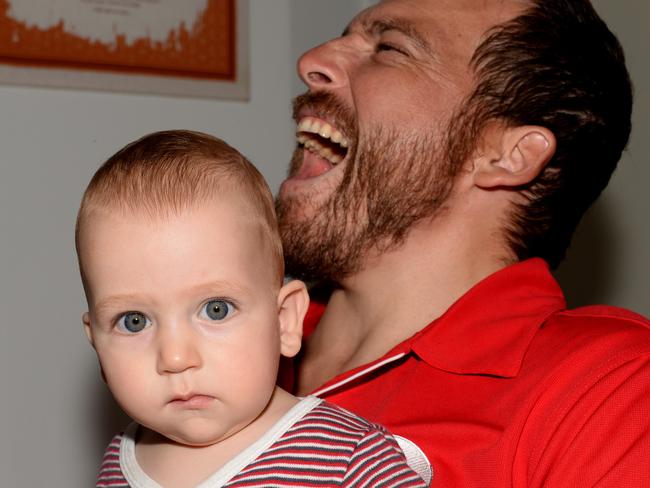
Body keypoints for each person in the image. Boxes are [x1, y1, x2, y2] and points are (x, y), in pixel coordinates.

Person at [275, 0, 650, 486]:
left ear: (509, 155)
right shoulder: (200, 337)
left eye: (390, 47)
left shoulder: (607, 390)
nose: (311, 60)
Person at [75, 130, 427, 487]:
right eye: (134, 322)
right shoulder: (117, 468)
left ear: (284, 320)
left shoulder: (351, 457)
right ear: (98, 345)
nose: (176, 357)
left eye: (216, 309)